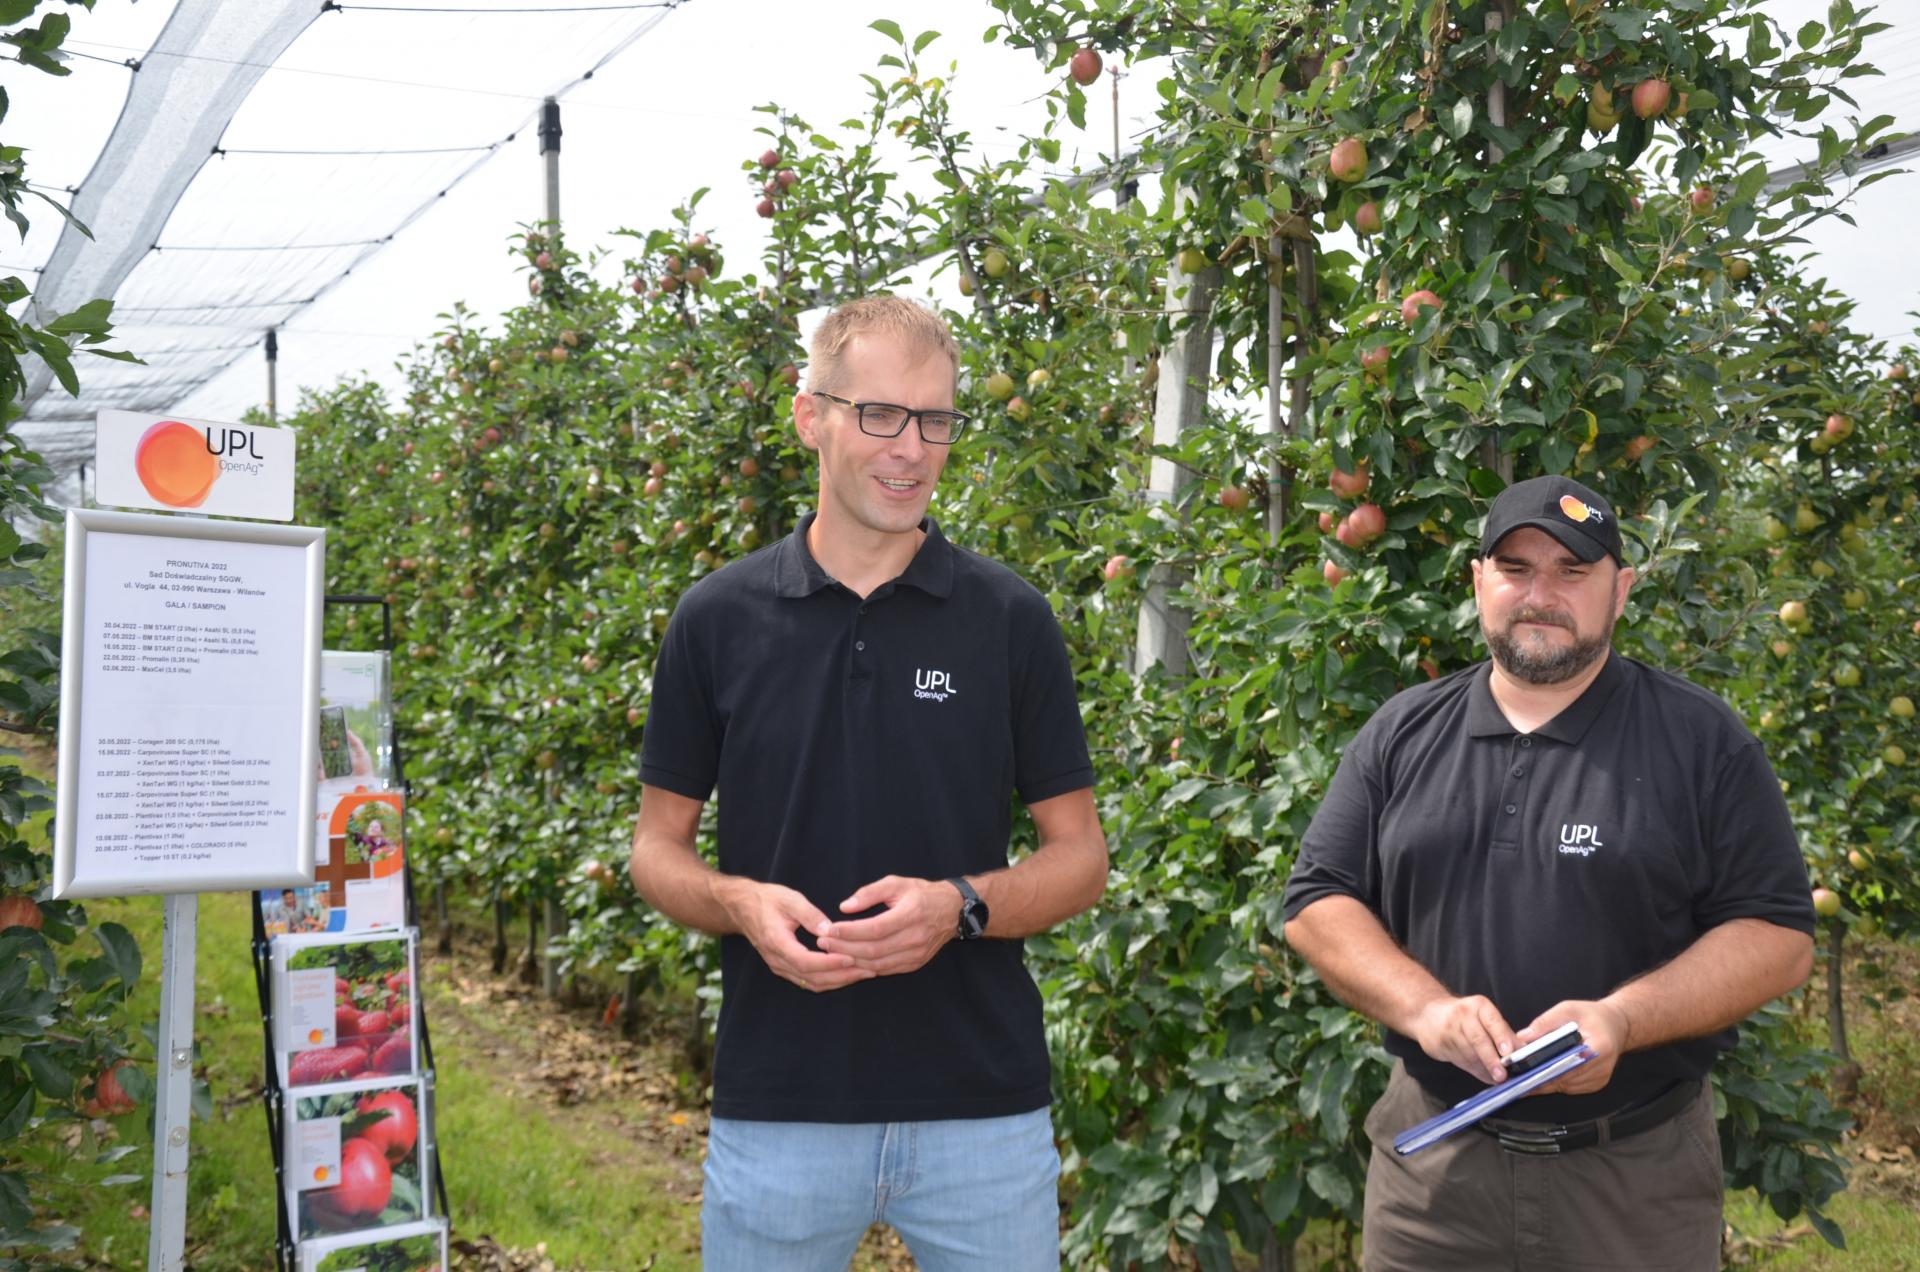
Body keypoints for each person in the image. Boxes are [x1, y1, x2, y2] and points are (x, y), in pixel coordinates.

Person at [628, 295, 1108, 1271]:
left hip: (982, 1116)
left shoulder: (1009, 620)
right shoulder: (717, 619)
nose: (911, 449)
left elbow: (1081, 859)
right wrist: (738, 903)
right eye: (881, 415)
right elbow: (655, 850)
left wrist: (959, 907)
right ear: (812, 418)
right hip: (781, 1110)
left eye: (935, 420)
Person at [1281, 474, 1815, 1272]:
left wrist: (1622, 1019)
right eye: (1516, 569)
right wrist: (1426, 1009)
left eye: (1573, 571)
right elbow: (1316, 901)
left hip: (1632, 1187)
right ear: (1478, 582)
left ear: (1620, 591)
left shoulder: (1703, 742)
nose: (1541, 596)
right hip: (1432, 1185)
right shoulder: (1402, 732)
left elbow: (1779, 936)